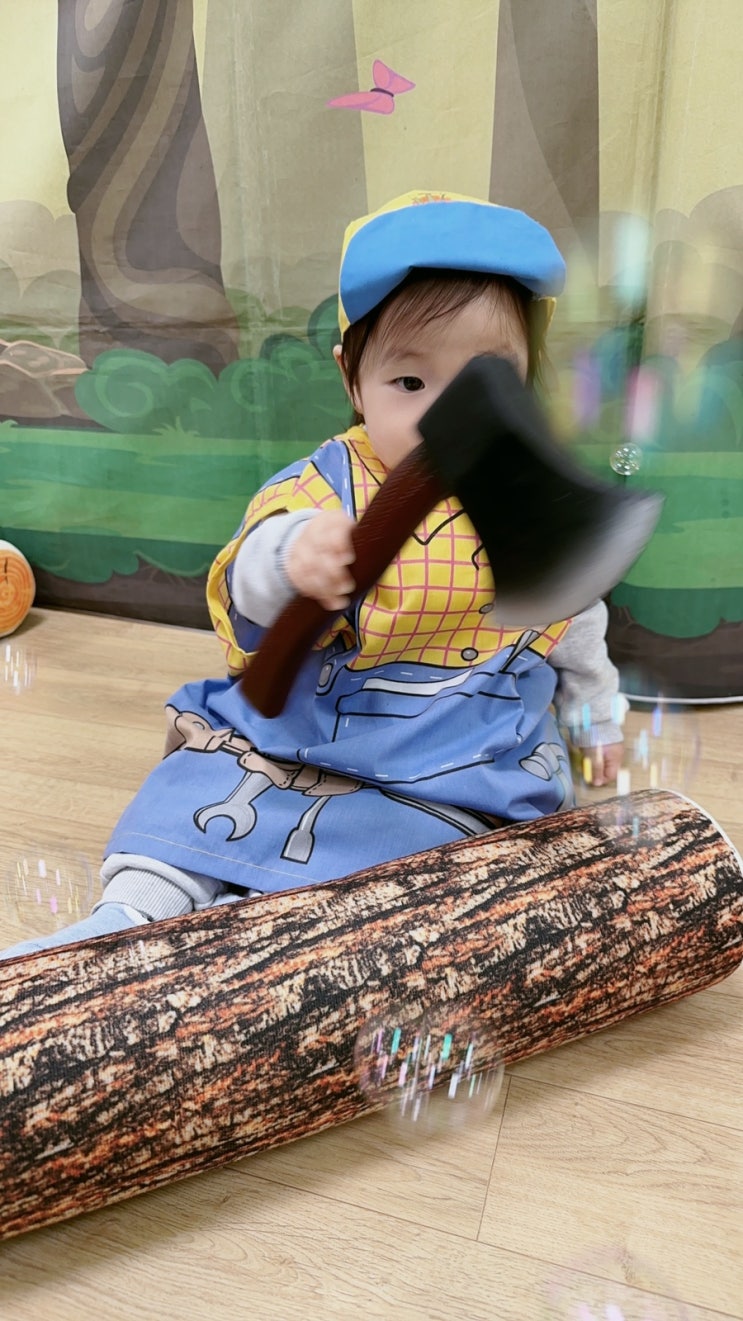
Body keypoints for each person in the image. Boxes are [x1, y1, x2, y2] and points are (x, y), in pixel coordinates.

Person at [2, 189, 624, 961]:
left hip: (459, 753)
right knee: (198, 794)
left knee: (436, 875)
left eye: (484, 382)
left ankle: (286, 935)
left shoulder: (529, 495)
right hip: (308, 730)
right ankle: (130, 916)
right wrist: (292, 557)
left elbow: (577, 628)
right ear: (352, 381)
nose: (445, 416)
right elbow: (249, 579)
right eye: (409, 383)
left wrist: (597, 728)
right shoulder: (324, 489)